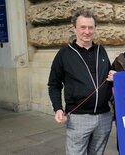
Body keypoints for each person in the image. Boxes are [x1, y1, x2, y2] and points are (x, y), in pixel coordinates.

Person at [48, 10, 113, 155]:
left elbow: (108, 77)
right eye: (83, 27)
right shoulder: (64, 54)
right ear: (74, 28)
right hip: (78, 118)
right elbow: (54, 84)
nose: (87, 31)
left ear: (95, 29)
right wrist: (58, 108)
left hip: (104, 117)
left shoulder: (101, 51)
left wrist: (113, 76)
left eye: (91, 27)